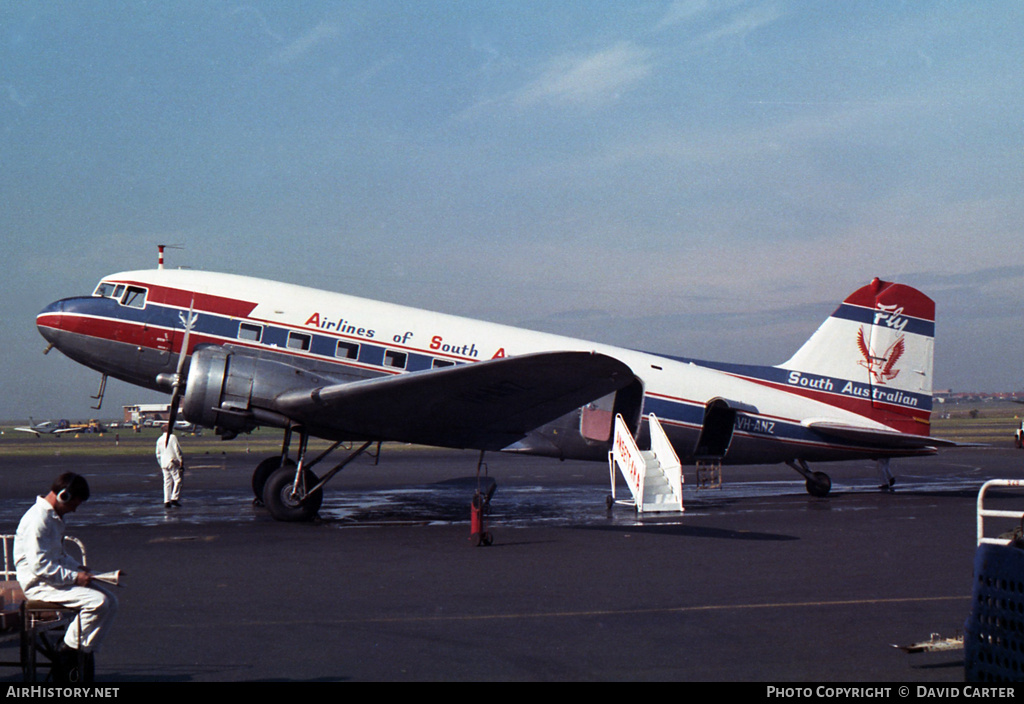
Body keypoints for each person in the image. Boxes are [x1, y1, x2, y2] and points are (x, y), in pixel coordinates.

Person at [14, 472, 118, 681]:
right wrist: (74, 578)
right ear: (64, 496)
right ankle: (69, 651)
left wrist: (79, 569)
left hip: (50, 579)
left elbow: (58, 556)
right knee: (99, 602)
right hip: (39, 584)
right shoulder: (39, 520)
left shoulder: (51, 518)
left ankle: (82, 651)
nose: (74, 509)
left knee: (111, 601)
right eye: (74, 504)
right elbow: (40, 566)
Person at [155, 431, 184, 508]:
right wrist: (181, 460)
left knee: (167, 482)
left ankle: (166, 500)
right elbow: (177, 450)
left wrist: (161, 463)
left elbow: (158, 454)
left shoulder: (159, 439)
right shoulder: (172, 437)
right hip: (172, 461)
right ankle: (174, 498)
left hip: (164, 462)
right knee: (178, 480)